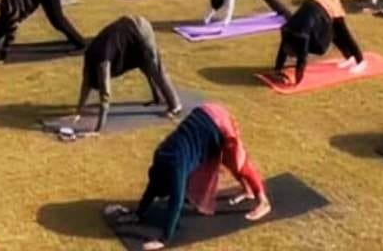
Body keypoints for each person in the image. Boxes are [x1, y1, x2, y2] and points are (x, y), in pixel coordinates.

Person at [104, 102, 271, 248]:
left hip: (218, 124)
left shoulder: (175, 166)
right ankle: (247, 190)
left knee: (238, 163)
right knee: (224, 163)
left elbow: (175, 202)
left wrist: (164, 239)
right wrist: (138, 213)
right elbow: (152, 187)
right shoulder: (160, 157)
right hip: (203, 113)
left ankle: (263, 202)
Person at [70, 16, 182, 137]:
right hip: (128, 30)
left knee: (155, 68)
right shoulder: (90, 60)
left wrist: (97, 129)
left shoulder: (102, 64)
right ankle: (158, 97)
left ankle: (175, 106)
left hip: (140, 29)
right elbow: (85, 85)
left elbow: (105, 95)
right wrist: (78, 110)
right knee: (144, 63)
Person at [0, 0, 86, 61]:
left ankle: (81, 44)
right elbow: (1, 30)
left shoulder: (10, 13)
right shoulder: (4, 8)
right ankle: (78, 42)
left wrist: (3, 54)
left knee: (58, 21)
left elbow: (11, 36)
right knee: (56, 21)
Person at [273, 0, 366, 85]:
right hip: (314, 4)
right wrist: (277, 70)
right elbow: (282, 52)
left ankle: (361, 61)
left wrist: (297, 82)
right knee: (334, 33)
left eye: (293, 55)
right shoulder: (286, 31)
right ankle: (350, 58)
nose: (292, 57)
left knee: (344, 35)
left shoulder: (301, 36)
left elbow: (302, 61)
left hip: (329, 6)